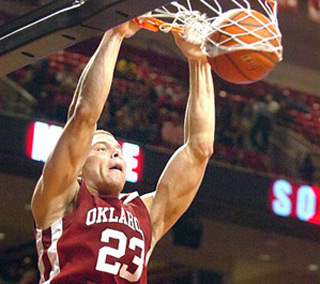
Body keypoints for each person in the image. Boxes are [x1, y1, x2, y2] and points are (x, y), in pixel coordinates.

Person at [31, 19, 215, 283]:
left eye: (117, 150)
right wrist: (115, 33)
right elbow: (83, 115)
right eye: (102, 148)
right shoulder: (61, 198)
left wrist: (199, 60)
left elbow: (200, 148)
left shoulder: (144, 214)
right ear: (79, 166)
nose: (116, 154)